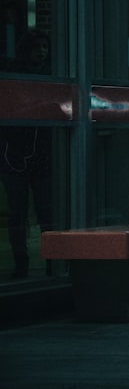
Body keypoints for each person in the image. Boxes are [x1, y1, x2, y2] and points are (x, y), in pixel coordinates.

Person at [1, 29, 54, 279]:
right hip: (16, 152)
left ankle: (52, 261)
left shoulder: (51, 77)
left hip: (39, 153)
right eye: (37, 48)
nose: (42, 52)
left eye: (44, 47)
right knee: (18, 212)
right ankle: (21, 260)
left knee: (46, 210)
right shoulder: (15, 77)